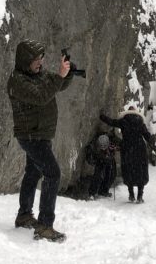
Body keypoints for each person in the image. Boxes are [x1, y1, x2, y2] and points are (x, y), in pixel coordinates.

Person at [8, 39, 74, 242]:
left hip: (40, 134)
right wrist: (59, 77)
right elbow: (40, 96)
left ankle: (24, 215)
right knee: (52, 173)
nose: (40, 62)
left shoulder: (38, 74)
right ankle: (45, 226)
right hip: (31, 135)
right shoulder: (17, 81)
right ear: (26, 60)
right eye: (36, 59)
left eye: (41, 58)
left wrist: (67, 73)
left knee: (33, 172)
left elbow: (55, 85)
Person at [99, 107, 152, 203]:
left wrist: (102, 116)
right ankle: (140, 196)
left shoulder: (123, 121)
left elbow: (111, 122)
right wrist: (153, 144)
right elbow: (147, 135)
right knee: (140, 171)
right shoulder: (140, 122)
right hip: (140, 149)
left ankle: (131, 195)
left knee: (128, 170)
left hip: (127, 149)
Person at [84, 133, 117, 199]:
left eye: (105, 146)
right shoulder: (94, 147)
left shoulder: (111, 146)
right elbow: (91, 158)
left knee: (111, 174)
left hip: (108, 161)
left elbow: (112, 154)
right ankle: (92, 193)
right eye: (101, 147)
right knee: (98, 176)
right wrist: (98, 159)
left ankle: (104, 190)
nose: (103, 148)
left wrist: (109, 157)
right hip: (99, 160)